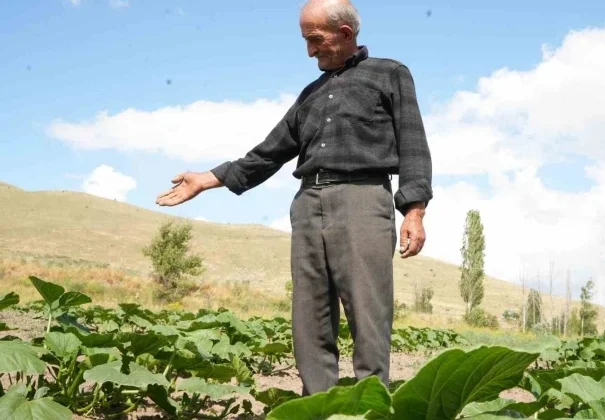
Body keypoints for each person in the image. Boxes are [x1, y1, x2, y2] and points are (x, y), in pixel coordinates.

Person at [155, 0, 433, 396]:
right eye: (305, 40)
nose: (310, 50)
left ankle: (370, 405)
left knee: (368, 313)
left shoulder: (389, 74)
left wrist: (414, 210)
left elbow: (413, 141)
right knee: (310, 315)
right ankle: (317, 405)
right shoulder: (311, 93)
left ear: (345, 33)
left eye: (316, 40)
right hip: (307, 204)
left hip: (362, 199)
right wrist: (207, 179)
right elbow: (268, 152)